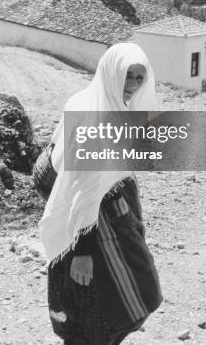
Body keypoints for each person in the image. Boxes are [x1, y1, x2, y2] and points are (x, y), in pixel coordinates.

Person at [33, 42, 162, 345]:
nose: (131, 85)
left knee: (86, 304)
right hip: (90, 229)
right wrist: (82, 253)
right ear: (111, 71)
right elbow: (87, 192)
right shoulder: (101, 117)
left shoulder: (85, 99)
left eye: (138, 78)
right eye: (126, 75)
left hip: (87, 220)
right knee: (110, 304)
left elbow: (58, 152)